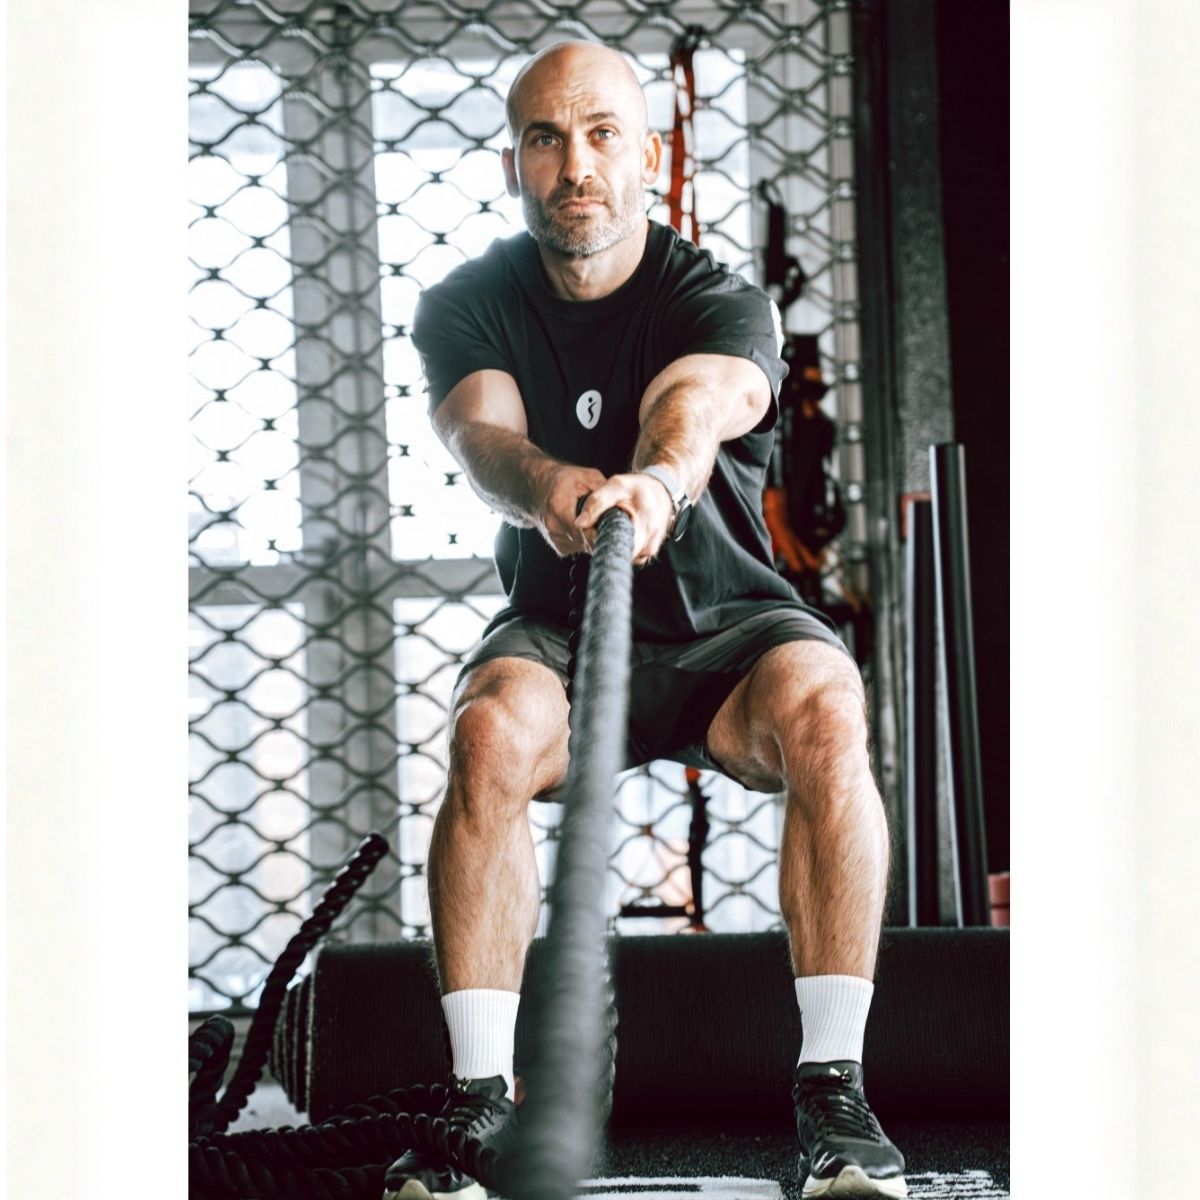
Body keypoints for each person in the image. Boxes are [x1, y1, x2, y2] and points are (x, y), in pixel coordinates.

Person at [383, 39, 907, 1200]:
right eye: (546, 138)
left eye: (603, 134)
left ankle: (835, 1091)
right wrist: (548, 489)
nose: (576, 164)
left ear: (649, 157)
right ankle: (477, 1100)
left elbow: (697, 401)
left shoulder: (717, 297)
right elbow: (482, 432)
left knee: (827, 705)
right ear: (514, 163)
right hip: (562, 635)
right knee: (487, 731)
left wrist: (659, 485)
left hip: (729, 638)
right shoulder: (467, 303)